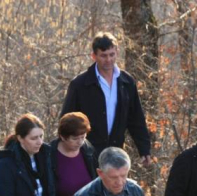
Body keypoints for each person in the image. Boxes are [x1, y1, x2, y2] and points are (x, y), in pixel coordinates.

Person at [61, 32, 151, 166]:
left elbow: (136, 118)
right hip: (86, 154)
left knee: (115, 185)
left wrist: (144, 149)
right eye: (103, 56)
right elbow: (66, 121)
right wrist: (66, 153)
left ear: (117, 52)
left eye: (111, 54)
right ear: (94, 56)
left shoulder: (127, 82)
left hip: (116, 152)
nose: (108, 59)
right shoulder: (80, 84)